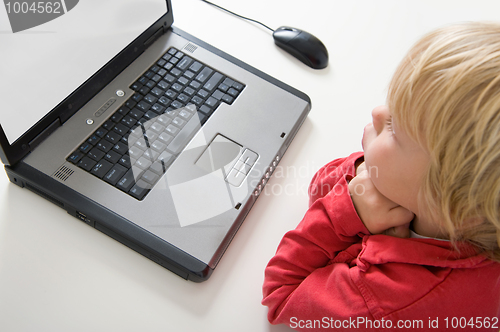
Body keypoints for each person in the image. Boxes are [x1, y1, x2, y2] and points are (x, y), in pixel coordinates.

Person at [262, 22, 500, 331]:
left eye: (396, 129)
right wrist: (370, 172)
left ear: (453, 203)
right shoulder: (454, 203)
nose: (377, 112)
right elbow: (321, 183)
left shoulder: (385, 302)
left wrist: (346, 212)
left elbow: (282, 298)